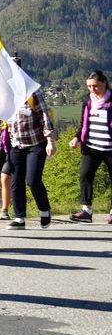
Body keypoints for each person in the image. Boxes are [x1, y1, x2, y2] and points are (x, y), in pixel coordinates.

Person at [4, 64, 56, 230]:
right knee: (16, 180)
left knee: (32, 180)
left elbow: (45, 118)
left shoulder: (33, 93)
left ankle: (44, 209)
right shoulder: (5, 95)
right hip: (16, 145)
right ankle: (19, 218)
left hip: (35, 144)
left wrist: (50, 141)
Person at [68, 70, 112, 223]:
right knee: (85, 175)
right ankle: (86, 211)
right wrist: (76, 138)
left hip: (110, 148)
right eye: (89, 86)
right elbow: (83, 124)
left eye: (95, 86)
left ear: (104, 83)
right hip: (91, 147)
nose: (92, 89)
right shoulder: (88, 101)